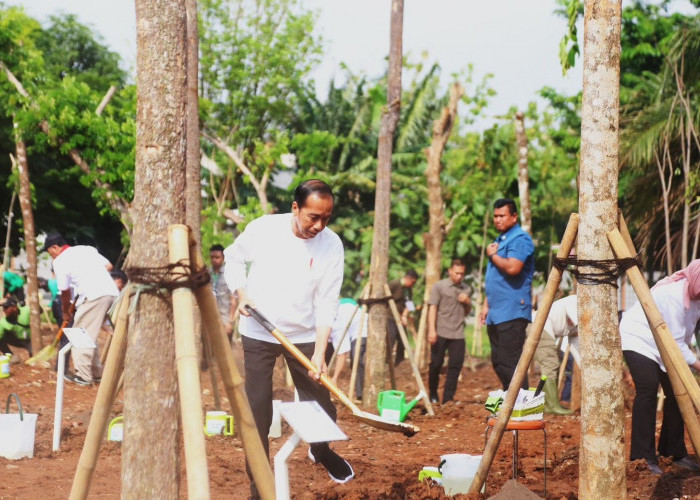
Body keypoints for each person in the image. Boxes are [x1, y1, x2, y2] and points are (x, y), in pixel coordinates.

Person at [224, 179, 353, 496]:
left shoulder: (331, 245)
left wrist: (320, 353)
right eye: (313, 217)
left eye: (327, 217)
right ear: (295, 208)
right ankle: (260, 485)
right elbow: (232, 257)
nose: (320, 225)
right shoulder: (264, 229)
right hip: (259, 328)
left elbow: (327, 301)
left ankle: (320, 451)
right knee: (258, 413)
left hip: (305, 335)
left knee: (322, 408)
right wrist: (241, 294)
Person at [620, 259, 700, 475]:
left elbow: (685, 334)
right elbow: (675, 341)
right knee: (648, 388)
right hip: (639, 338)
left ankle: (673, 452)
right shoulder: (674, 295)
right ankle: (643, 457)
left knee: (677, 392)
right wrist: (697, 364)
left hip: (663, 343)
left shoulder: (696, 296)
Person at [42, 233, 119, 386]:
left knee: (79, 332)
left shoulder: (60, 261)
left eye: (49, 251)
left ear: (54, 247)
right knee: (89, 334)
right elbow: (109, 266)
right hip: (111, 293)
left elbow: (64, 290)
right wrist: (89, 273)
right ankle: (96, 373)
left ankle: (84, 376)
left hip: (94, 296)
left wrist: (65, 312)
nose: (50, 255)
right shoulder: (86, 249)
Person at [480, 198, 535, 390]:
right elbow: (496, 279)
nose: (498, 220)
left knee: (510, 363)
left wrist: (493, 256)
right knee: (499, 362)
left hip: (512, 311)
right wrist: (486, 305)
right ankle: (510, 406)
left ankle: (520, 407)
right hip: (496, 313)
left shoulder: (520, 239)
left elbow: (513, 268)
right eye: (495, 216)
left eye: (502, 216)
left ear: (514, 216)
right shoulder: (501, 240)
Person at [427, 259, 471, 404]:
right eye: (457, 273)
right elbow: (432, 308)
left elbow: (467, 312)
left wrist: (467, 302)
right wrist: (432, 330)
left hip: (458, 333)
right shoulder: (439, 286)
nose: (459, 276)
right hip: (440, 331)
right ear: (450, 271)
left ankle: (448, 398)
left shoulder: (466, 289)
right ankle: (433, 394)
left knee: (456, 366)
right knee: (436, 364)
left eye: (462, 274)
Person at [533, 294, 577, 414]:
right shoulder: (575, 300)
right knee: (550, 364)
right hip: (541, 324)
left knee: (552, 365)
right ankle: (551, 405)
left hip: (545, 328)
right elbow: (576, 320)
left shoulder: (578, 326)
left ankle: (549, 403)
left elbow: (575, 346)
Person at [329, 298, 366, 400]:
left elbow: (342, 354)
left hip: (361, 326)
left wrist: (335, 378)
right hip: (348, 322)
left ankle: (361, 394)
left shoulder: (336, 325)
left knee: (356, 358)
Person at [387, 269, 418, 365]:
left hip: (400, 317)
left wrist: (405, 315)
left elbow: (410, 304)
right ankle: (386, 359)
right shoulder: (394, 284)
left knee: (403, 338)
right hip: (390, 316)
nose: (413, 285)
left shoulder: (408, 290)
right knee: (391, 337)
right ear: (408, 278)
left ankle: (398, 361)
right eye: (412, 282)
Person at [209, 244, 236, 339]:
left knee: (226, 349)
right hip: (210, 319)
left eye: (217, 257)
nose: (214, 260)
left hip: (225, 319)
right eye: (212, 257)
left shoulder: (228, 274)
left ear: (223, 258)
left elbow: (233, 301)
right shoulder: (208, 274)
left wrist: (230, 322)